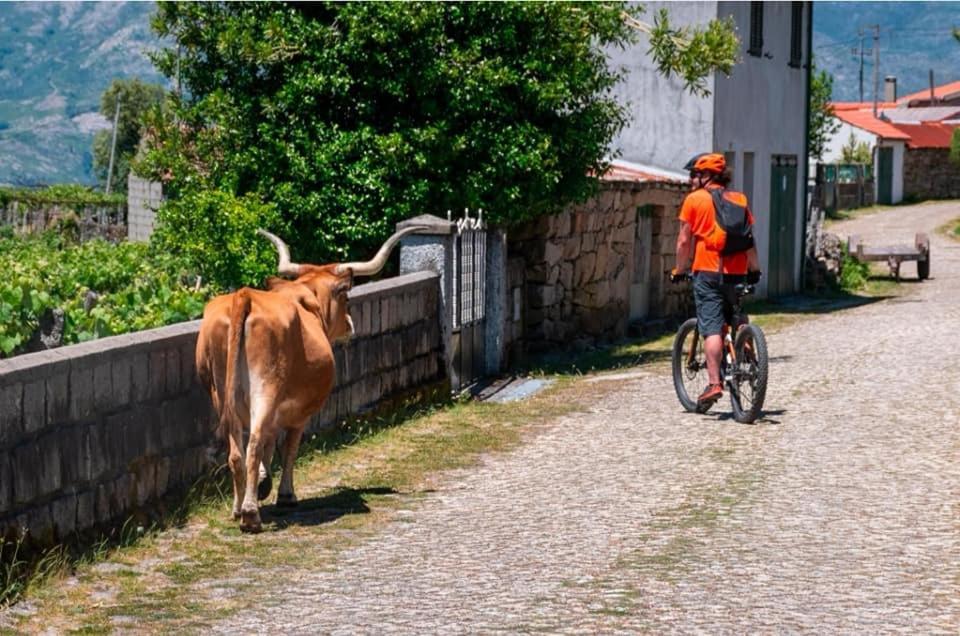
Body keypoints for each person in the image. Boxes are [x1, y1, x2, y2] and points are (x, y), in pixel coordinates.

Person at [672, 153, 761, 408]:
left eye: (694, 175)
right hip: (737, 272)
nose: (691, 180)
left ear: (706, 176)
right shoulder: (739, 200)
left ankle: (714, 384)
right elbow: (749, 240)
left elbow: (683, 241)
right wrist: (755, 269)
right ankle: (751, 356)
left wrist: (679, 269)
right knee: (736, 314)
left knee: (711, 327)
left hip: (708, 273)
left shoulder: (694, 201)